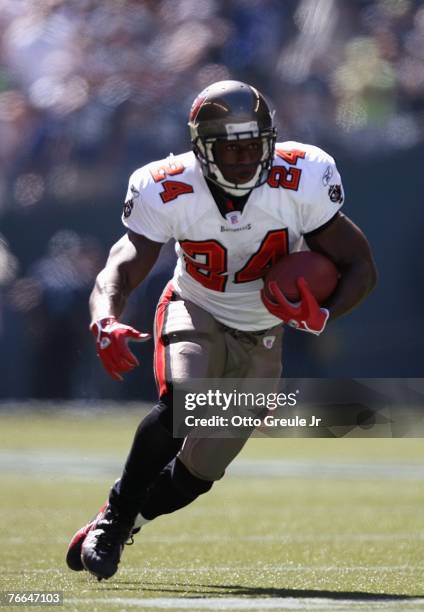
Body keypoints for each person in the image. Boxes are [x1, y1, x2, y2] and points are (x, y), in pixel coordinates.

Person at [65, 80, 377, 580]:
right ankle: (116, 516)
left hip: (264, 332)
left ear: (270, 142)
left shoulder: (303, 176)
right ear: (200, 148)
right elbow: (122, 264)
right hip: (197, 305)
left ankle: (122, 523)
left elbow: (360, 264)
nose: (242, 161)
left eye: (252, 147)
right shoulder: (167, 186)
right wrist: (105, 316)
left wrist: (325, 313)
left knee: (200, 473)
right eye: (229, 150)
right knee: (186, 402)